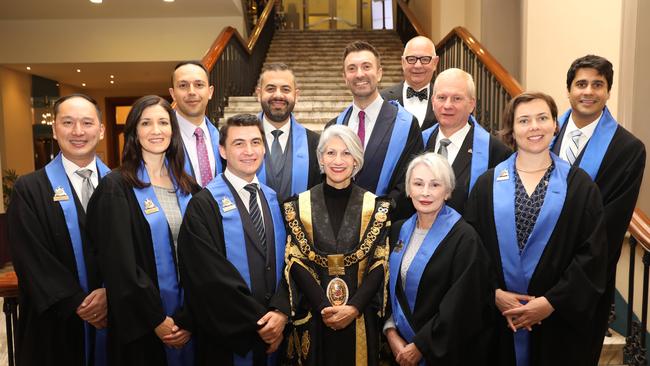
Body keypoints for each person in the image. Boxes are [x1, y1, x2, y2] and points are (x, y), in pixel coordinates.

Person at [465, 92, 607, 365]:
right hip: (497, 320)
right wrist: (493, 293)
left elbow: (592, 256)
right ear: (512, 129)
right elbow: (471, 250)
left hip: (556, 323)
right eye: (524, 120)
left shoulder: (580, 187)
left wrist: (551, 302)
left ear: (555, 124)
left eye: (542, 118)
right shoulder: (486, 185)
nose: (534, 127)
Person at [87, 95, 199, 365]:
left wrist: (189, 318)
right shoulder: (116, 187)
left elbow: (203, 257)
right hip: (143, 325)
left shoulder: (189, 187)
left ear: (173, 130)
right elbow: (119, 264)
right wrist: (156, 319)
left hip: (189, 319)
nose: (156, 130)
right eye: (146, 123)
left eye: (163, 122)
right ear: (134, 132)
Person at [550, 55, 646, 363]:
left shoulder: (627, 149)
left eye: (597, 85)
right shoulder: (545, 133)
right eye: (581, 84)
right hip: (533, 273)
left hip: (585, 279)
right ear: (568, 90)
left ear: (608, 91)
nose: (588, 92)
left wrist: (563, 266)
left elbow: (609, 224)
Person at [177, 114, 289, 365]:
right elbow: (209, 278)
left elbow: (291, 262)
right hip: (229, 341)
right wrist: (259, 323)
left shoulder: (275, 200)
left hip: (276, 333)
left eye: (256, 142)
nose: (249, 151)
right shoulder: (204, 205)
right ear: (222, 150)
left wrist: (281, 311)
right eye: (239, 143)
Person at [7, 94, 109, 365]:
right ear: (54, 129)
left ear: (101, 130)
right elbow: (30, 257)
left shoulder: (122, 186)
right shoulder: (29, 189)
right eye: (68, 122)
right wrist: (79, 303)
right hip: (56, 322)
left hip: (115, 317)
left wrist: (111, 292)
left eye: (87, 123)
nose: (78, 131)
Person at [283, 125, 391, 366]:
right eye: (331, 153)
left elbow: (380, 262)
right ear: (321, 158)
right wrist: (324, 307)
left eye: (346, 153)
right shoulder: (299, 206)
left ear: (356, 160)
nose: (338, 160)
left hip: (360, 318)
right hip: (315, 316)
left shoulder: (375, 207)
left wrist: (354, 307)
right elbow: (296, 261)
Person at [384, 152, 493, 365]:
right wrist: (390, 332)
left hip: (446, 353)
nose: (425, 192)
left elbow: (463, 304)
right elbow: (388, 290)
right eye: (418, 183)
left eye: (435, 185)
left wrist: (421, 346)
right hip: (399, 348)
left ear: (448, 191)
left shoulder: (465, 238)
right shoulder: (397, 232)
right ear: (408, 189)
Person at [327, 40, 422, 220]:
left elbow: (408, 183)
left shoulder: (406, 124)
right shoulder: (334, 127)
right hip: (339, 225)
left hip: (387, 227)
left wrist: (375, 216)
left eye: (366, 66)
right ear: (345, 77)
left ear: (379, 73)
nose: (359, 74)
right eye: (352, 68)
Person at [422, 68, 511, 215]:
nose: (447, 105)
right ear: (433, 102)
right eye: (441, 97)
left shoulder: (496, 152)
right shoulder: (418, 142)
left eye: (457, 98)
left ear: (471, 104)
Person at [255, 63, 321, 201]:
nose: (278, 95)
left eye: (285, 89)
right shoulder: (240, 139)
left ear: (296, 95)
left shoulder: (314, 143)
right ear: (259, 94)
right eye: (270, 88)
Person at [169, 60, 222, 187]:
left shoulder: (222, 138)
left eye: (199, 85)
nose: (191, 92)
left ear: (210, 92)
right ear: (173, 94)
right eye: (183, 85)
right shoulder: (161, 138)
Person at [381, 36, 439, 130]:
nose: (418, 65)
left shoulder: (445, 100)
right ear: (403, 62)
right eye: (411, 59)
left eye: (425, 59)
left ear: (435, 63)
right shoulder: (383, 99)